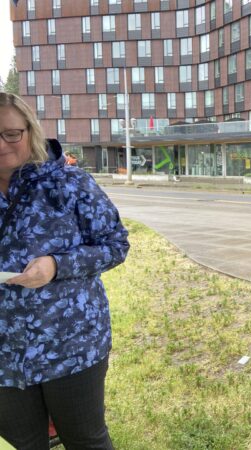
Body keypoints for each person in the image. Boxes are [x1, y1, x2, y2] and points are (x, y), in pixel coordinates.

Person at [0, 92, 129, 449]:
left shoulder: (70, 184)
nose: (2, 144)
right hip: (3, 356)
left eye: (11, 133)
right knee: (26, 444)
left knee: (86, 441)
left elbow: (116, 244)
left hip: (72, 346)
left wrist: (57, 265)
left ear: (30, 131)